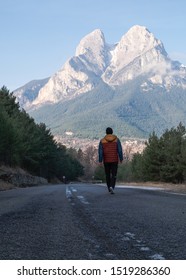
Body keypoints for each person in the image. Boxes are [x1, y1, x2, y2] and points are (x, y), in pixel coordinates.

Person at [98, 127, 123, 194]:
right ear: (112, 132)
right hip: (114, 159)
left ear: (106, 132)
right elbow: (120, 150)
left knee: (107, 174)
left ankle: (109, 187)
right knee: (114, 174)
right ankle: (112, 186)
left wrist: (100, 160)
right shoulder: (117, 140)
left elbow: (100, 152)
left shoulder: (102, 141)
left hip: (106, 160)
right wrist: (121, 158)